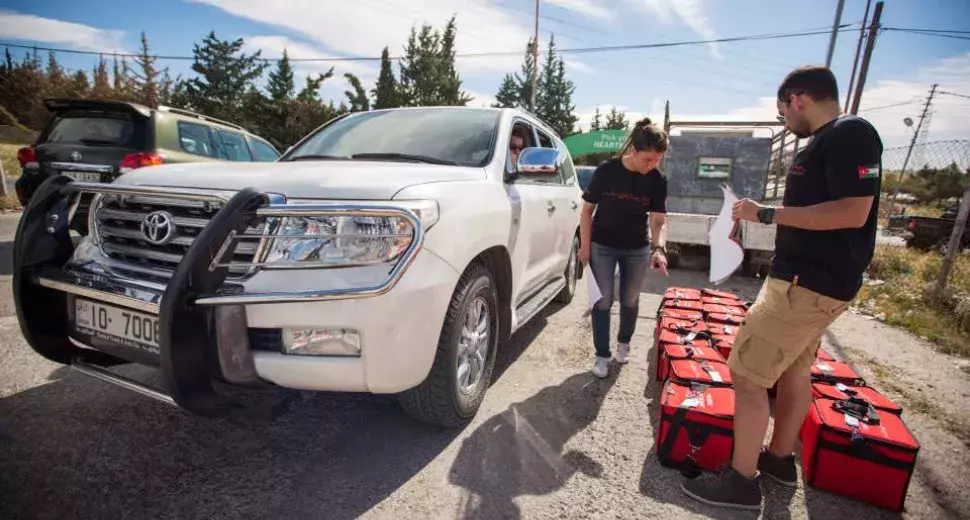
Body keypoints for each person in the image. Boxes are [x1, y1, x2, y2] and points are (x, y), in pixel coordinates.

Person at [681, 65, 883, 510]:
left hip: (805, 285)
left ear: (798, 99)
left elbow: (853, 211)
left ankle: (741, 481)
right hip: (810, 283)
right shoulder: (831, 140)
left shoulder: (850, 134)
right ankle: (776, 460)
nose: (784, 123)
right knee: (794, 372)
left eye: (782, 113)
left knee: (748, 376)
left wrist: (768, 213)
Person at [579, 118, 670, 379]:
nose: (652, 165)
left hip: (637, 247)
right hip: (602, 245)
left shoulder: (657, 179)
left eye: (657, 160)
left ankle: (624, 342)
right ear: (633, 150)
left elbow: (658, 219)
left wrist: (658, 249)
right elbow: (587, 211)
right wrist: (585, 248)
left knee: (630, 298)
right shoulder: (607, 171)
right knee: (603, 300)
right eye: (647, 160)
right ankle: (602, 355)